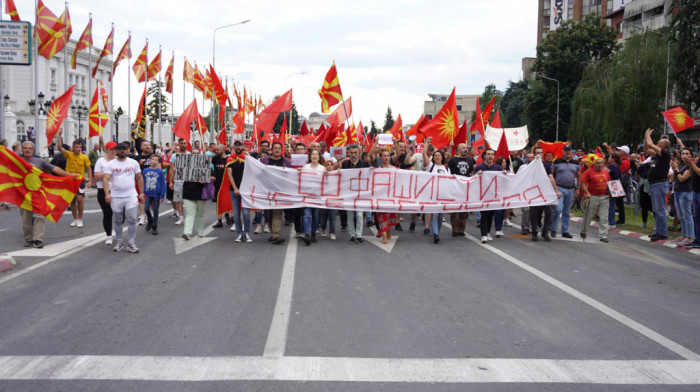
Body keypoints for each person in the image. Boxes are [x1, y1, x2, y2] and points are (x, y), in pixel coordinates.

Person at [17, 141, 78, 248]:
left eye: (30, 148)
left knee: (39, 216)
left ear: (33, 151)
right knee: (26, 219)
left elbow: (54, 169)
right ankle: (29, 239)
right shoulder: (17, 161)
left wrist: (69, 175)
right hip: (23, 195)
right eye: (25, 148)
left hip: (37, 194)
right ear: (22, 150)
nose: (27, 150)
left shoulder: (39, 161)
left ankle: (38, 239)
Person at [103, 143, 144, 253]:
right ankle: (119, 242)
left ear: (127, 150)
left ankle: (131, 242)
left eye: (124, 149)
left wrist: (141, 194)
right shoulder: (110, 164)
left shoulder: (133, 163)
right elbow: (105, 180)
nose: (122, 151)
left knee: (132, 219)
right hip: (116, 197)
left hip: (131, 195)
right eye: (119, 149)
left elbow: (139, 178)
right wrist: (107, 194)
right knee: (118, 220)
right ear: (116, 151)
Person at [332, 144, 368, 245]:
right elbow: (333, 169)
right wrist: (341, 161)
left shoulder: (364, 163)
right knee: (350, 215)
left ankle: (359, 235)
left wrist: (372, 169)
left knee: (360, 215)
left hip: (360, 194)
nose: (353, 155)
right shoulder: (345, 163)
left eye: (355, 153)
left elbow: (371, 174)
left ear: (359, 153)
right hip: (348, 194)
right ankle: (352, 235)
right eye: (351, 153)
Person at [57, 131, 93, 228]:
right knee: (72, 201)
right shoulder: (69, 155)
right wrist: (59, 136)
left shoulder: (84, 157)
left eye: (80, 147)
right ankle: (75, 219)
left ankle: (80, 219)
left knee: (79, 199)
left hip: (80, 180)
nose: (79, 149)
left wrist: (90, 181)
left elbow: (89, 169)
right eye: (77, 147)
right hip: (69, 180)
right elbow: (60, 147)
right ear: (73, 148)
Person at [261, 141, 293, 244]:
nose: (277, 150)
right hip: (268, 191)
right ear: (272, 149)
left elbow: (292, 176)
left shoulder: (286, 162)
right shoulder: (265, 160)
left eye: (279, 148)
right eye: (275, 148)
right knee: (269, 214)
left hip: (280, 191)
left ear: (281, 149)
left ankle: (276, 235)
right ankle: (273, 233)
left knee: (278, 213)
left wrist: (287, 171)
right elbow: (258, 173)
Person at [474, 149, 508, 243]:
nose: (490, 156)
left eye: (492, 154)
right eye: (488, 154)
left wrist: (505, 174)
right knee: (484, 215)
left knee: (490, 215)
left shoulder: (498, 168)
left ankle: (487, 232)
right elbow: (471, 179)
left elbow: (502, 181)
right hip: (482, 196)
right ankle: (483, 235)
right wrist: (477, 174)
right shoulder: (479, 167)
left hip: (493, 196)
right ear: (484, 156)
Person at [529, 146, 561, 242]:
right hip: (533, 192)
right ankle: (534, 232)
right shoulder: (530, 165)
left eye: (541, 152)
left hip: (544, 192)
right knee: (533, 213)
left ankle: (545, 232)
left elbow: (551, 177)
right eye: (537, 152)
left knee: (548, 212)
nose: (539, 154)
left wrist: (556, 191)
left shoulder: (546, 165)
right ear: (534, 154)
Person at [644, 128, 671, 241]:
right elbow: (647, 147)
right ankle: (658, 231)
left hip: (659, 184)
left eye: (658, 143)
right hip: (655, 184)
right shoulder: (658, 155)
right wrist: (646, 138)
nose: (656, 144)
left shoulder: (664, 154)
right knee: (656, 210)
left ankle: (663, 233)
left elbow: (650, 144)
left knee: (660, 210)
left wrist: (647, 134)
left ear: (663, 146)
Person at [180, 149, 212, 240]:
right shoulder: (185, 164)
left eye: (197, 153)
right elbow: (180, 175)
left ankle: (200, 230)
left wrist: (206, 178)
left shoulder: (205, 164)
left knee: (200, 213)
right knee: (190, 213)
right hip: (188, 192)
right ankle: (187, 232)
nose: (195, 154)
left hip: (201, 193)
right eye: (193, 153)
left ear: (200, 154)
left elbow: (214, 176)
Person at [550, 145, 580, 238]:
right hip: (559, 188)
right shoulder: (557, 161)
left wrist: (578, 189)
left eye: (569, 150)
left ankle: (565, 231)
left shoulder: (576, 163)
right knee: (558, 209)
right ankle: (553, 228)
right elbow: (551, 174)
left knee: (566, 212)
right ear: (563, 151)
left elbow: (579, 176)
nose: (567, 152)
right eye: (565, 150)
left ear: (571, 152)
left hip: (570, 189)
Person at [226, 141, 252, 243]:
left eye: (240, 145)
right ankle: (239, 234)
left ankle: (247, 233)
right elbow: (229, 174)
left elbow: (253, 169)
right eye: (236, 145)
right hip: (234, 190)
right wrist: (235, 188)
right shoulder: (230, 158)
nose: (238, 147)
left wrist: (249, 157)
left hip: (246, 190)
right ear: (234, 147)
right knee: (236, 214)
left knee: (246, 213)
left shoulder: (247, 157)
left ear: (242, 147)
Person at [580, 157, 611, 243]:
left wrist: (614, 191)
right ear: (594, 164)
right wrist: (587, 193)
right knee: (588, 215)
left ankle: (603, 235)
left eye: (601, 163)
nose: (600, 164)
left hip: (604, 197)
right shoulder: (589, 172)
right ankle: (584, 231)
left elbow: (609, 183)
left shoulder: (605, 172)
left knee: (604, 217)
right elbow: (583, 182)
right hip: (592, 196)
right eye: (598, 163)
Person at [93, 138, 117, 245]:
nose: (113, 151)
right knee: (107, 213)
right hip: (103, 189)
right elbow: (96, 175)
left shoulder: (119, 161)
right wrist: (107, 174)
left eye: (115, 149)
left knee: (120, 212)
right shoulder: (100, 161)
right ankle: (108, 235)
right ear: (106, 150)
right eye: (111, 149)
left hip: (117, 189)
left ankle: (119, 231)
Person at [300, 150, 327, 245]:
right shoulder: (305, 167)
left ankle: (313, 234)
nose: (314, 156)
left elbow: (328, 180)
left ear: (319, 157)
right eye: (313, 154)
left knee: (316, 216)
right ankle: (307, 234)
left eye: (316, 154)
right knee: (307, 214)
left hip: (318, 196)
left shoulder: (322, 168)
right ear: (310, 157)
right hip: (307, 195)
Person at [447, 143, 474, 237]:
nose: (466, 149)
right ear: (458, 150)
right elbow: (448, 171)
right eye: (463, 148)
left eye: (466, 148)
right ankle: (455, 229)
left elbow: (471, 172)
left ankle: (461, 229)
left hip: (465, 188)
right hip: (455, 188)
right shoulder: (453, 160)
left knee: (463, 210)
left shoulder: (470, 160)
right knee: (455, 210)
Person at [426, 149, 450, 243]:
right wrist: (427, 143)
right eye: (435, 155)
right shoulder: (431, 167)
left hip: (443, 195)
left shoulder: (447, 169)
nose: (437, 156)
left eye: (439, 155)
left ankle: (437, 232)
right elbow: (424, 154)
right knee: (434, 215)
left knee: (440, 216)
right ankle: (435, 234)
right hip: (434, 195)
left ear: (442, 157)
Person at [375, 150, 399, 244]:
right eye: (384, 156)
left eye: (388, 156)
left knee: (389, 215)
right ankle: (384, 236)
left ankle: (388, 231)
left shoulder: (394, 169)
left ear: (390, 157)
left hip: (391, 196)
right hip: (380, 197)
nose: (386, 157)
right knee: (381, 215)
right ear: (381, 158)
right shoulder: (378, 169)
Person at [671, 148, 693, 246]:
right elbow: (673, 179)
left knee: (687, 215)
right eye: (683, 153)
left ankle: (689, 236)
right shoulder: (680, 165)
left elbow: (682, 178)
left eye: (687, 153)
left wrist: (676, 169)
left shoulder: (690, 166)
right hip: (677, 191)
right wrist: (673, 168)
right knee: (680, 215)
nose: (684, 155)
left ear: (690, 156)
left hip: (685, 192)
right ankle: (683, 235)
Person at [142, 154, 166, 235]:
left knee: (155, 210)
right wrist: (142, 193)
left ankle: (154, 226)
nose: (154, 161)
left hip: (157, 193)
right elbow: (143, 182)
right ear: (150, 160)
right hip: (148, 193)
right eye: (153, 159)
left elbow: (163, 184)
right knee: (146, 209)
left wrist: (162, 195)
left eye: (156, 160)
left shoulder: (160, 171)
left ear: (158, 162)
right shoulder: (145, 170)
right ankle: (150, 220)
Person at [211, 144, 232, 229]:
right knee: (218, 202)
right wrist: (212, 175)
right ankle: (219, 220)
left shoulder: (229, 159)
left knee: (226, 201)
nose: (216, 151)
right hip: (218, 184)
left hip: (227, 184)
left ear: (222, 150)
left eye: (218, 150)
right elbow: (205, 164)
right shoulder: (215, 158)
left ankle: (227, 216)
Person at [134, 140, 154, 226]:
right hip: (141, 181)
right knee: (141, 198)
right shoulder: (137, 158)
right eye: (145, 145)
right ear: (141, 147)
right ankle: (142, 216)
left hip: (152, 180)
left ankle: (152, 213)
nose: (147, 146)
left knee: (152, 198)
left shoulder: (154, 157)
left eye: (148, 145)